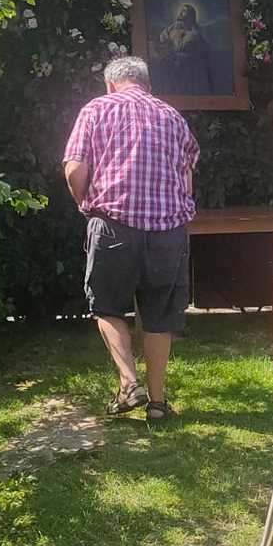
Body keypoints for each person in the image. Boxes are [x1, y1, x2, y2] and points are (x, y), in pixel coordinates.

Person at [63, 54, 198, 422]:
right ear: (146, 83)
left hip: (113, 225)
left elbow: (74, 169)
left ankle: (129, 383)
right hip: (168, 232)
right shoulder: (172, 116)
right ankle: (157, 404)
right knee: (159, 316)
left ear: (110, 84)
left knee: (106, 307)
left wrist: (84, 204)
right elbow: (187, 178)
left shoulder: (96, 109)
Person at [156, 1, 215, 96]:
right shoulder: (172, 28)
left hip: (188, 68)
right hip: (172, 64)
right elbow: (162, 39)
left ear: (190, 15)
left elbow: (201, 48)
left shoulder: (195, 34)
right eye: (181, 11)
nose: (181, 13)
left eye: (184, 11)